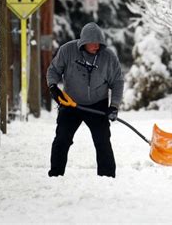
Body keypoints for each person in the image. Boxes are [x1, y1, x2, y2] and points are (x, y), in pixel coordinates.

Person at [46, 22, 124, 178]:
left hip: (97, 105)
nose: (96, 46)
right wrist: (53, 87)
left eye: (99, 43)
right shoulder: (67, 51)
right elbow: (53, 70)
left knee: (102, 140)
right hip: (70, 104)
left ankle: (107, 177)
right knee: (62, 138)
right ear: (83, 43)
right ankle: (55, 174)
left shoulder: (108, 57)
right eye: (92, 43)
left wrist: (114, 106)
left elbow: (117, 82)